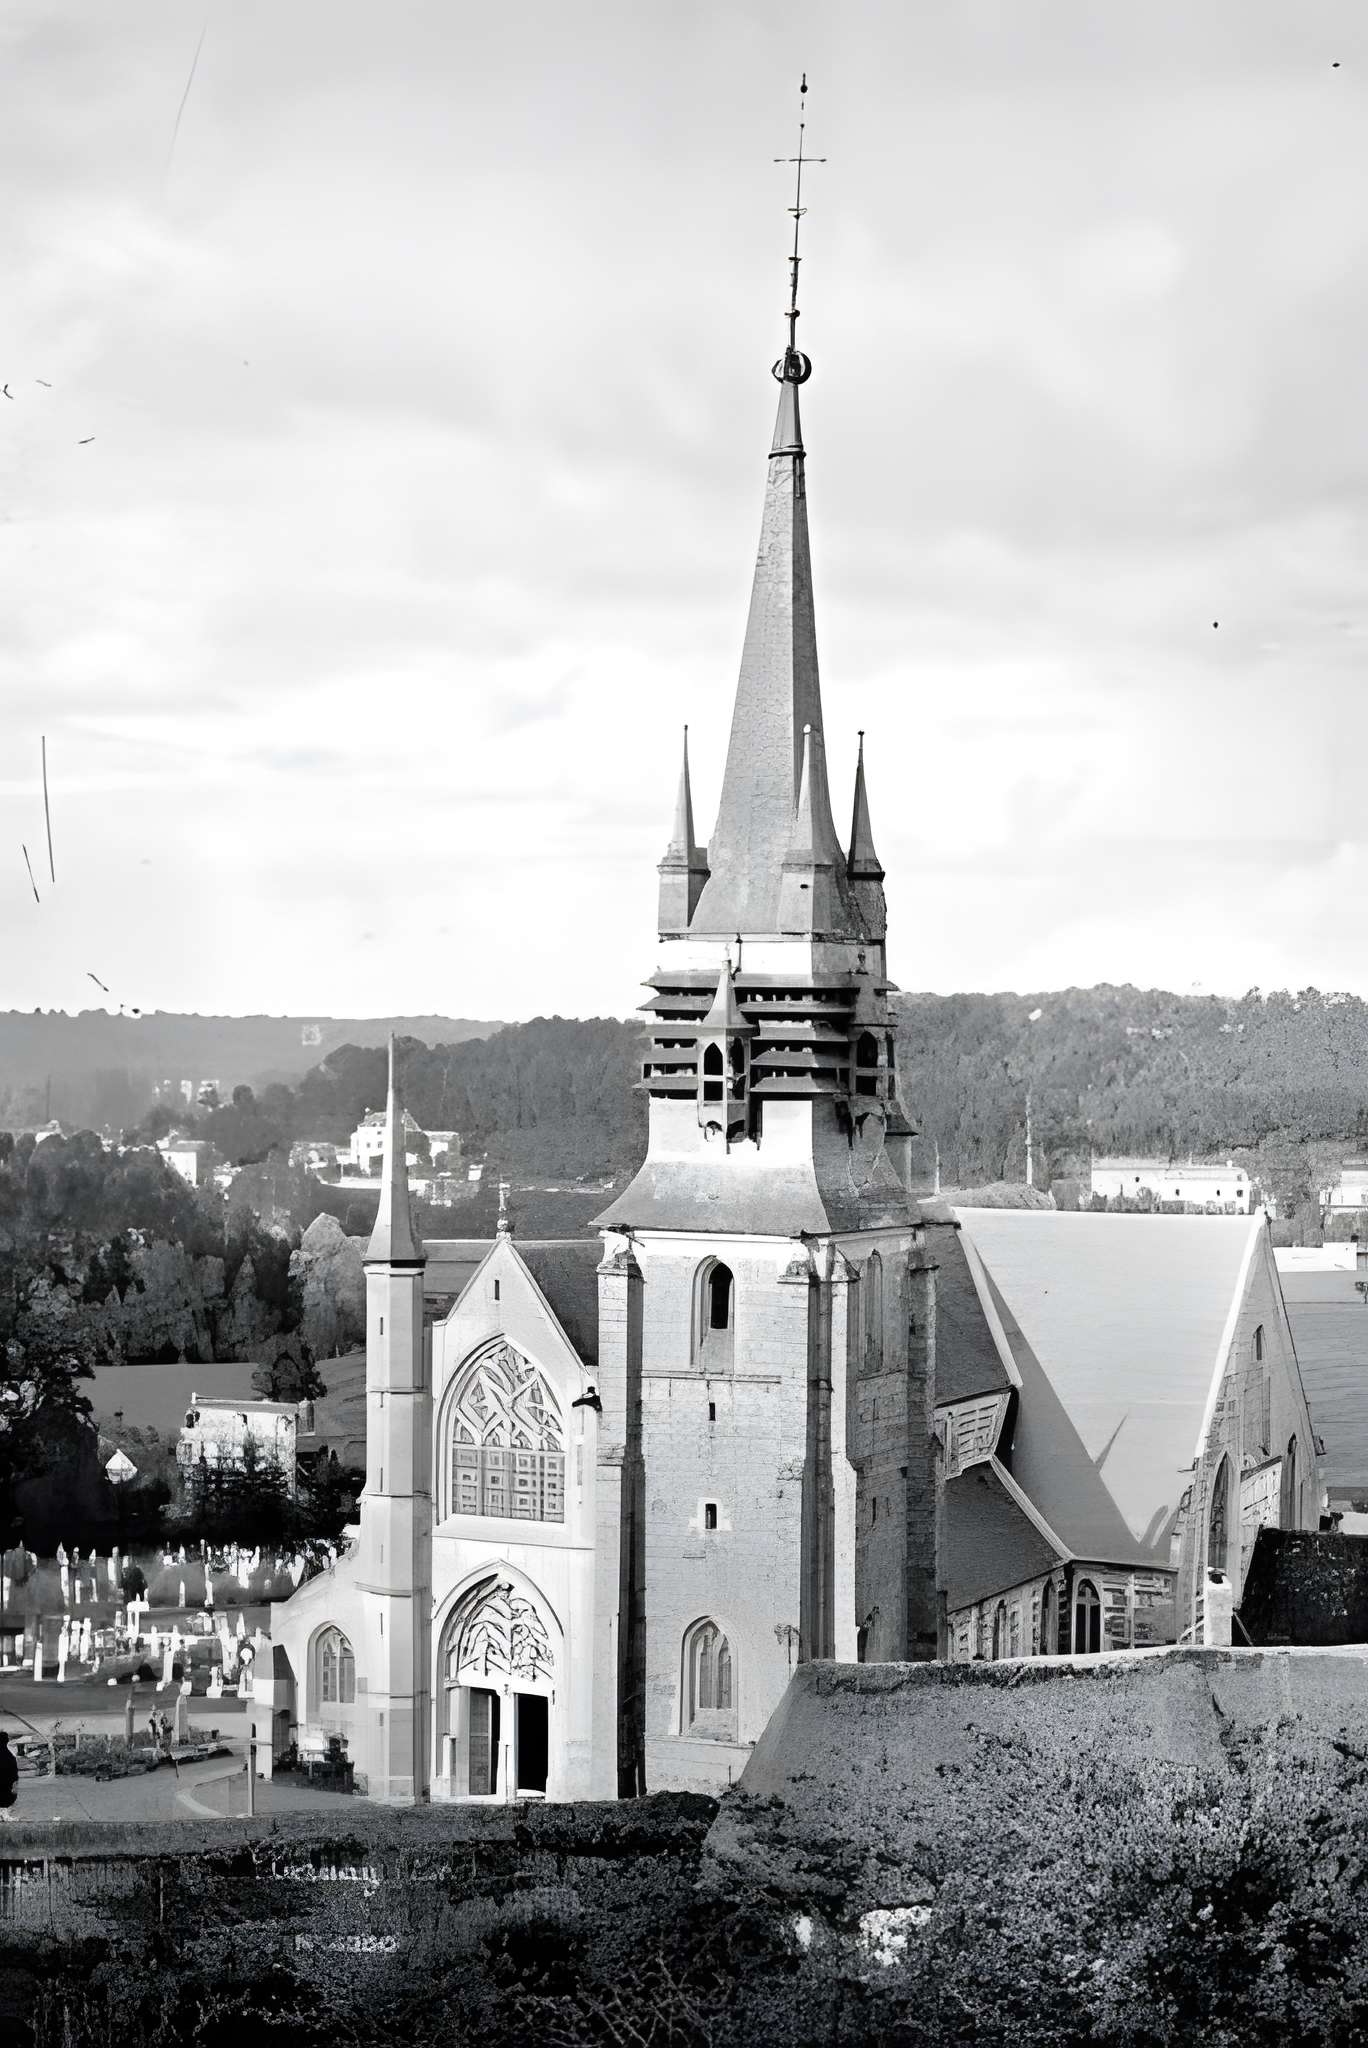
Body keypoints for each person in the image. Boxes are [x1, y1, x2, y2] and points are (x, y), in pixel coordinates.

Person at [0, 1732, 18, 1823]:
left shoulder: (10, 1756)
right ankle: (4, 1814)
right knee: (7, 1797)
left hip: (4, 1783)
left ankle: (3, 1814)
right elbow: (14, 1772)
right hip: (7, 1784)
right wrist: (14, 1782)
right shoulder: (10, 1756)